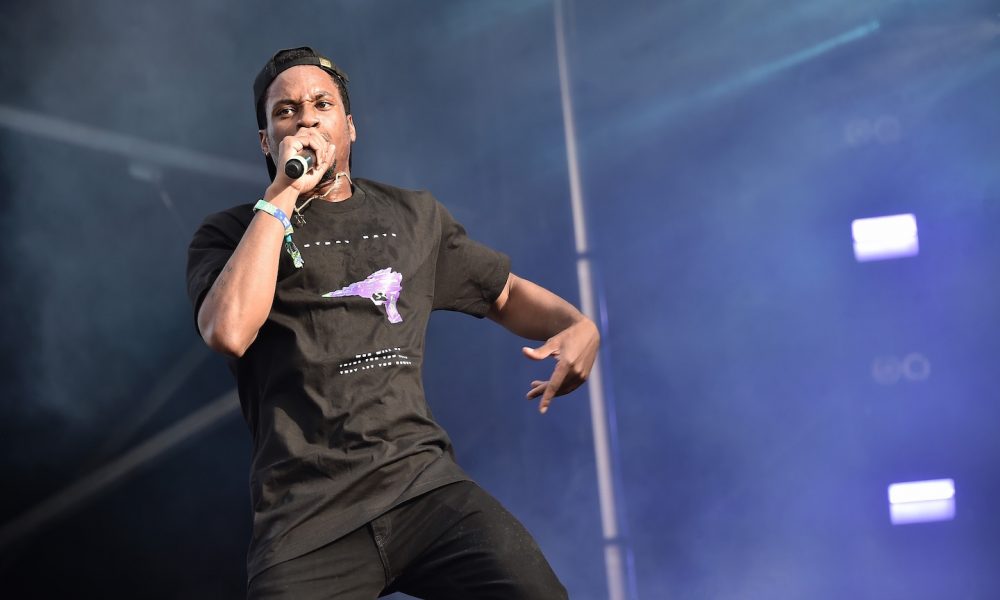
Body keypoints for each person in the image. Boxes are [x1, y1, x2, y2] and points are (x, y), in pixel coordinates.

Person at [186, 46, 599, 599]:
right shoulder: (230, 235)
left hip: (422, 487)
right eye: (285, 111)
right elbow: (228, 331)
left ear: (349, 126)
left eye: (321, 104)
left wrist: (577, 324)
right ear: (267, 141)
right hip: (308, 516)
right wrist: (282, 194)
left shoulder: (412, 217)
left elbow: (503, 294)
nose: (305, 118)